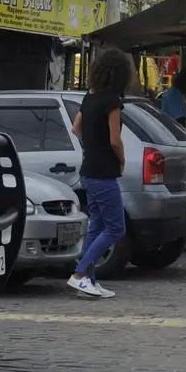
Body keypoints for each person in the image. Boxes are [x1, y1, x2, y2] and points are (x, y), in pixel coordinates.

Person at [68, 47, 135, 298]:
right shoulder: (112, 101)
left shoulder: (90, 97)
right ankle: (79, 274)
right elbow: (115, 140)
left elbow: (76, 127)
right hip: (104, 173)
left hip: (88, 170)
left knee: (96, 225)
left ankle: (89, 281)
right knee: (116, 228)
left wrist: (91, 145)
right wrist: (121, 160)